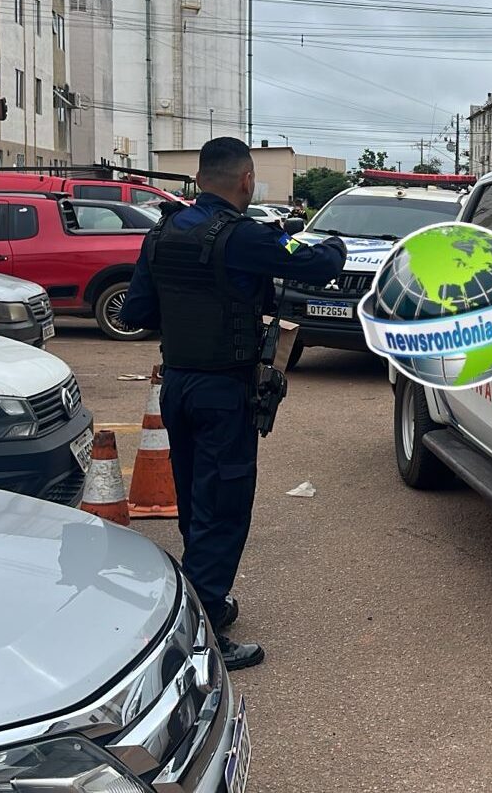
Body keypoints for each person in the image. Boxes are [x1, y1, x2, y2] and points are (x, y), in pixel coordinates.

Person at [120, 137, 346, 670]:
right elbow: (316, 265)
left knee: (199, 500)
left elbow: (135, 311)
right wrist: (334, 243)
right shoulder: (242, 237)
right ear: (246, 180)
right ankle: (199, 639)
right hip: (224, 391)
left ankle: (209, 603)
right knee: (223, 507)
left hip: (177, 385)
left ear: (200, 178)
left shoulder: (162, 231)